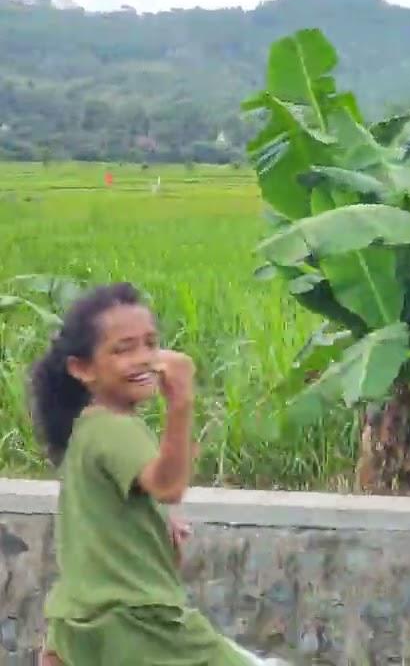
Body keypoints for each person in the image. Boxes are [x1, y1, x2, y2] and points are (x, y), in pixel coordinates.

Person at [29, 282, 284, 665]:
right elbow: (168, 486)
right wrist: (180, 403)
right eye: (123, 349)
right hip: (142, 623)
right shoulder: (114, 428)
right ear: (82, 368)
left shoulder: (86, 429)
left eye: (150, 344)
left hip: (84, 622)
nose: (144, 359)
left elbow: (135, 502)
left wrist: (160, 519)